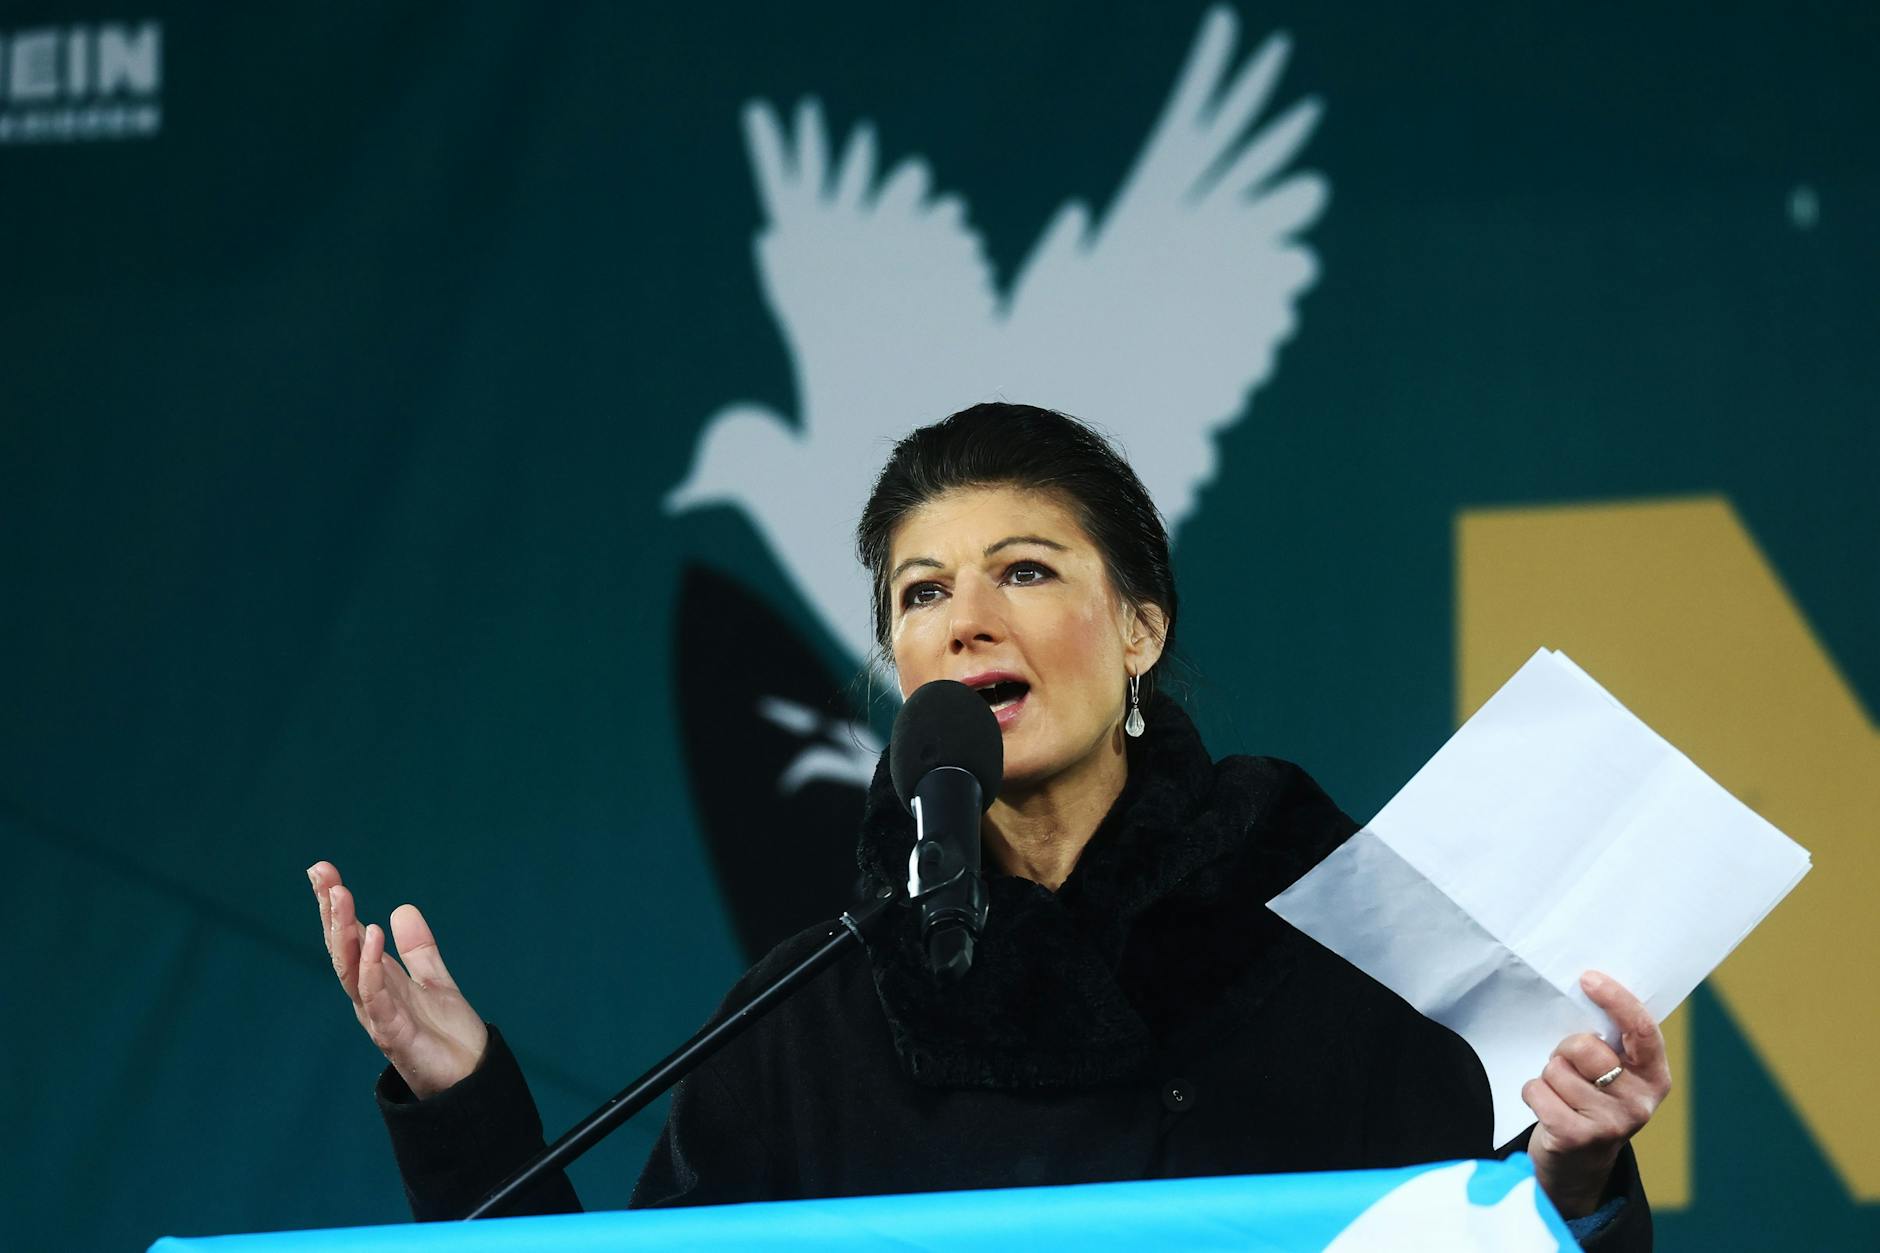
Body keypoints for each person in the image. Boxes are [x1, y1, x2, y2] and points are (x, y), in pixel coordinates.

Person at [310, 403, 1665, 1247]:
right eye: (920, 592)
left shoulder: (1342, 932)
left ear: (1142, 626)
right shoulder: (810, 1011)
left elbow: (1507, 1236)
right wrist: (466, 1101)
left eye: (1024, 570)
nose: (964, 618)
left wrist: (1583, 1173)